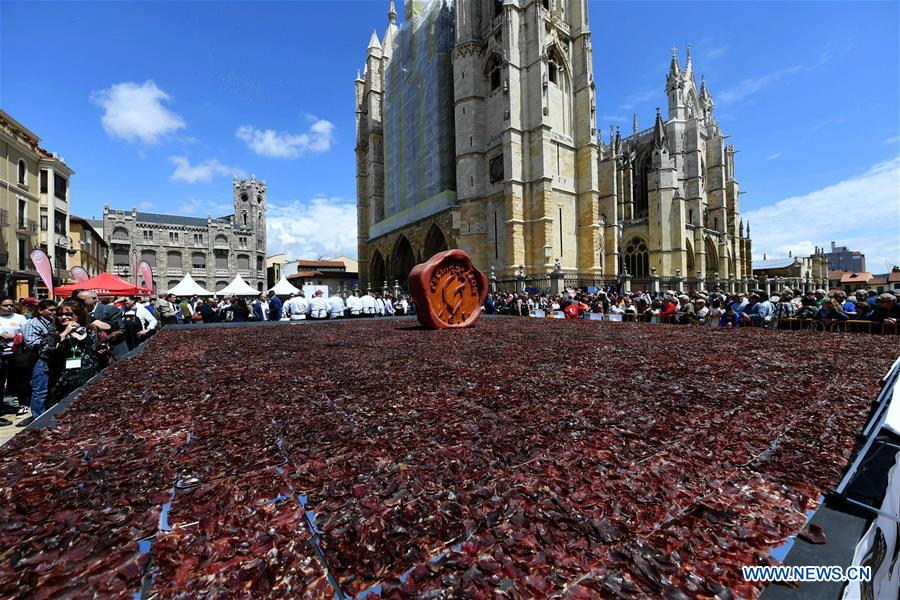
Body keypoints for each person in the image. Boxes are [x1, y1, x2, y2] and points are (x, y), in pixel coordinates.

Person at [39, 301, 103, 411]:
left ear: (78, 315)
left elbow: (96, 350)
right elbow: (44, 354)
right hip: (63, 383)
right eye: (60, 315)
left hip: (89, 381)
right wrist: (64, 333)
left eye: (68, 314)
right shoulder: (54, 334)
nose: (63, 317)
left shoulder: (91, 331)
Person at [16, 300, 57, 426]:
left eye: (55, 310)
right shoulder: (32, 324)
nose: (54, 313)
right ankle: (38, 419)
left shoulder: (53, 322)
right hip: (38, 360)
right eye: (51, 310)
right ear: (40, 310)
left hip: (51, 359)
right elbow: (31, 343)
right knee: (40, 390)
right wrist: (52, 341)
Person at [0, 296, 28, 425]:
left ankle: (23, 405)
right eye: (6, 305)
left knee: (19, 380)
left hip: (17, 354)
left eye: (11, 305)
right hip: (1, 354)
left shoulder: (20, 318)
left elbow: (28, 334)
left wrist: (14, 336)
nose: (9, 308)